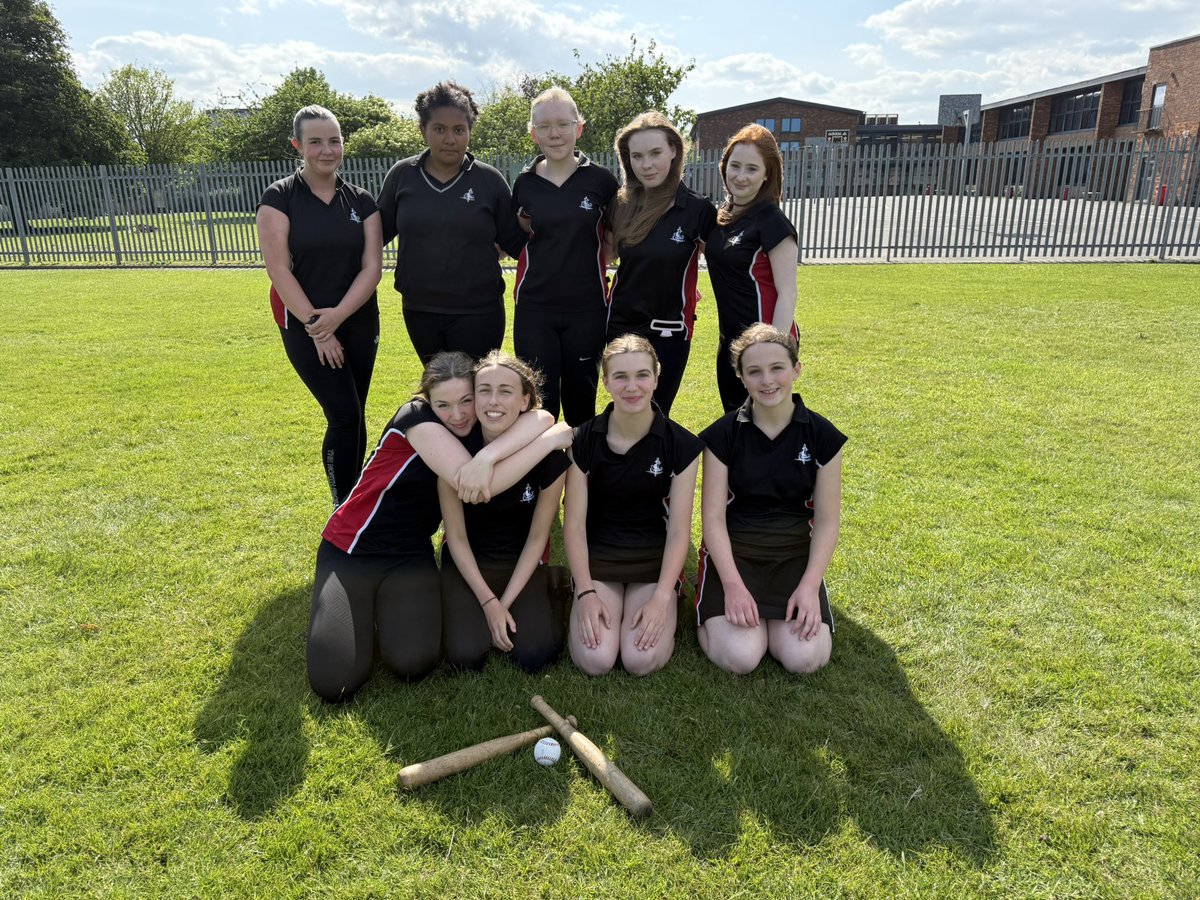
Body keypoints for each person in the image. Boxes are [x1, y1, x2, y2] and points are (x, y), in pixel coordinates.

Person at [307, 351, 569, 702]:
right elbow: (477, 487)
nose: (458, 415)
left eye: (466, 400)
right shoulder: (417, 420)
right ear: (425, 400)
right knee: (334, 683)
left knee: (414, 663)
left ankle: (376, 612)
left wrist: (528, 439)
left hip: (410, 554)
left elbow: (540, 415)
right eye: (443, 404)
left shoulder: (475, 426)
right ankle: (350, 609)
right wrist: (550, 442)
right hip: (351, 548)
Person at [696, 324, 845, 675]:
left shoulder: (822, 436)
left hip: (794, 555)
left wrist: (808, 587)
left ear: (796, 369)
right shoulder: (722, 436)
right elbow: (713, 520)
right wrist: (732, 586)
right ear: (741, 377)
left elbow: (827, 521)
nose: (767, 380)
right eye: (754, 371)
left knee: (804, 659)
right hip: (735, 555)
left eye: (777, 368)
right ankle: (720, 614)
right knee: (742, 657)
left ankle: (790, 611)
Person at [256, 105, 383, 506]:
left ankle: (354, 506)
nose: (326, 150)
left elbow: (372, 268)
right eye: (315, 142)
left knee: (356, 415)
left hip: (358, 319)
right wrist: (318, 326)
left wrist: (339, 317)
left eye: (334, 140)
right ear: (297, 146)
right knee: (343, 416)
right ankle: (342, 509)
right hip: (304, 323)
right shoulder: (279, 197)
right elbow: (277, 269)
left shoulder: (361, 201)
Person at [564, 334, 703, 676]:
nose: (632, 386)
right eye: (621, 377)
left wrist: (661, 597)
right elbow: (574, 525)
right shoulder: (582, 440)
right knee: (595, 660)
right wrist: (585, 593)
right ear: (607, 382)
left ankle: (654, 603)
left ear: (657, 378)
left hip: (653, 563)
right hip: (599, 560)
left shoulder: (681, 445)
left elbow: (679, 531)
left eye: (642, 375)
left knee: (640, 661)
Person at [377, 81, 528, 361]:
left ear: (469, 131)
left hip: (479, 311)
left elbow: (516, 242)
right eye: (439, 129)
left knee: (474, 391)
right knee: (439, 392)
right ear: (423, 130)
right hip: (420, 310)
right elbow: (374, 236)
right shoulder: (402, 177)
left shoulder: (489, 180)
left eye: (459, 130)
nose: (450, 139)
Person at [439, 351, 571, 672]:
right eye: (484, 390)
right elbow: (454, 537)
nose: (492, 401)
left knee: (534, 657)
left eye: (505, 391)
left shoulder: (551, 456)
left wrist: (505, 603)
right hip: (467, 564)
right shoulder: (453, 448)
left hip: (521, 566)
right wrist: (487, 602)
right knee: (464, 657)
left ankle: (555, 587)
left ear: (525, 401)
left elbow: (539, 536)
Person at [511, 87, 619, 425]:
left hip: (587, 307)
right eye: (544, 126)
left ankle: (580, 476)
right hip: (534, 308)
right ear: (533, 133)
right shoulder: (524, 184)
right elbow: (516, 235)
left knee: (581, 402)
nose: (554, 133)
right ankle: (541, 478)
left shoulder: (602, 181)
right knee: (538, 406)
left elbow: (618, 241)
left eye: (563, 124)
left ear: (579, 128)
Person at [605, 111, 716, 415]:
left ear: (674, 151)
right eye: (637, 156)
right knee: (624, 412)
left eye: (655, 153)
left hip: (669, 331)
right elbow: (604, 256)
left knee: (655, 414)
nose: (647, 164)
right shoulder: (621, 203)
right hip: (620, 328)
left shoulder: (698, 209)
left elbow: (727, 266)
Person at [704, 124, 800, 412]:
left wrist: (774, 351)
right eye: (735, 166)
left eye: (751, 169)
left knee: (764, 427)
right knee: (736, 423)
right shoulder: (723, 216)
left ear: (767, 173)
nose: (740, 176)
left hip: (764, 342)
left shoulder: (772, 221)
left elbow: (787, 292)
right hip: (730, 341)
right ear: (724, 167)